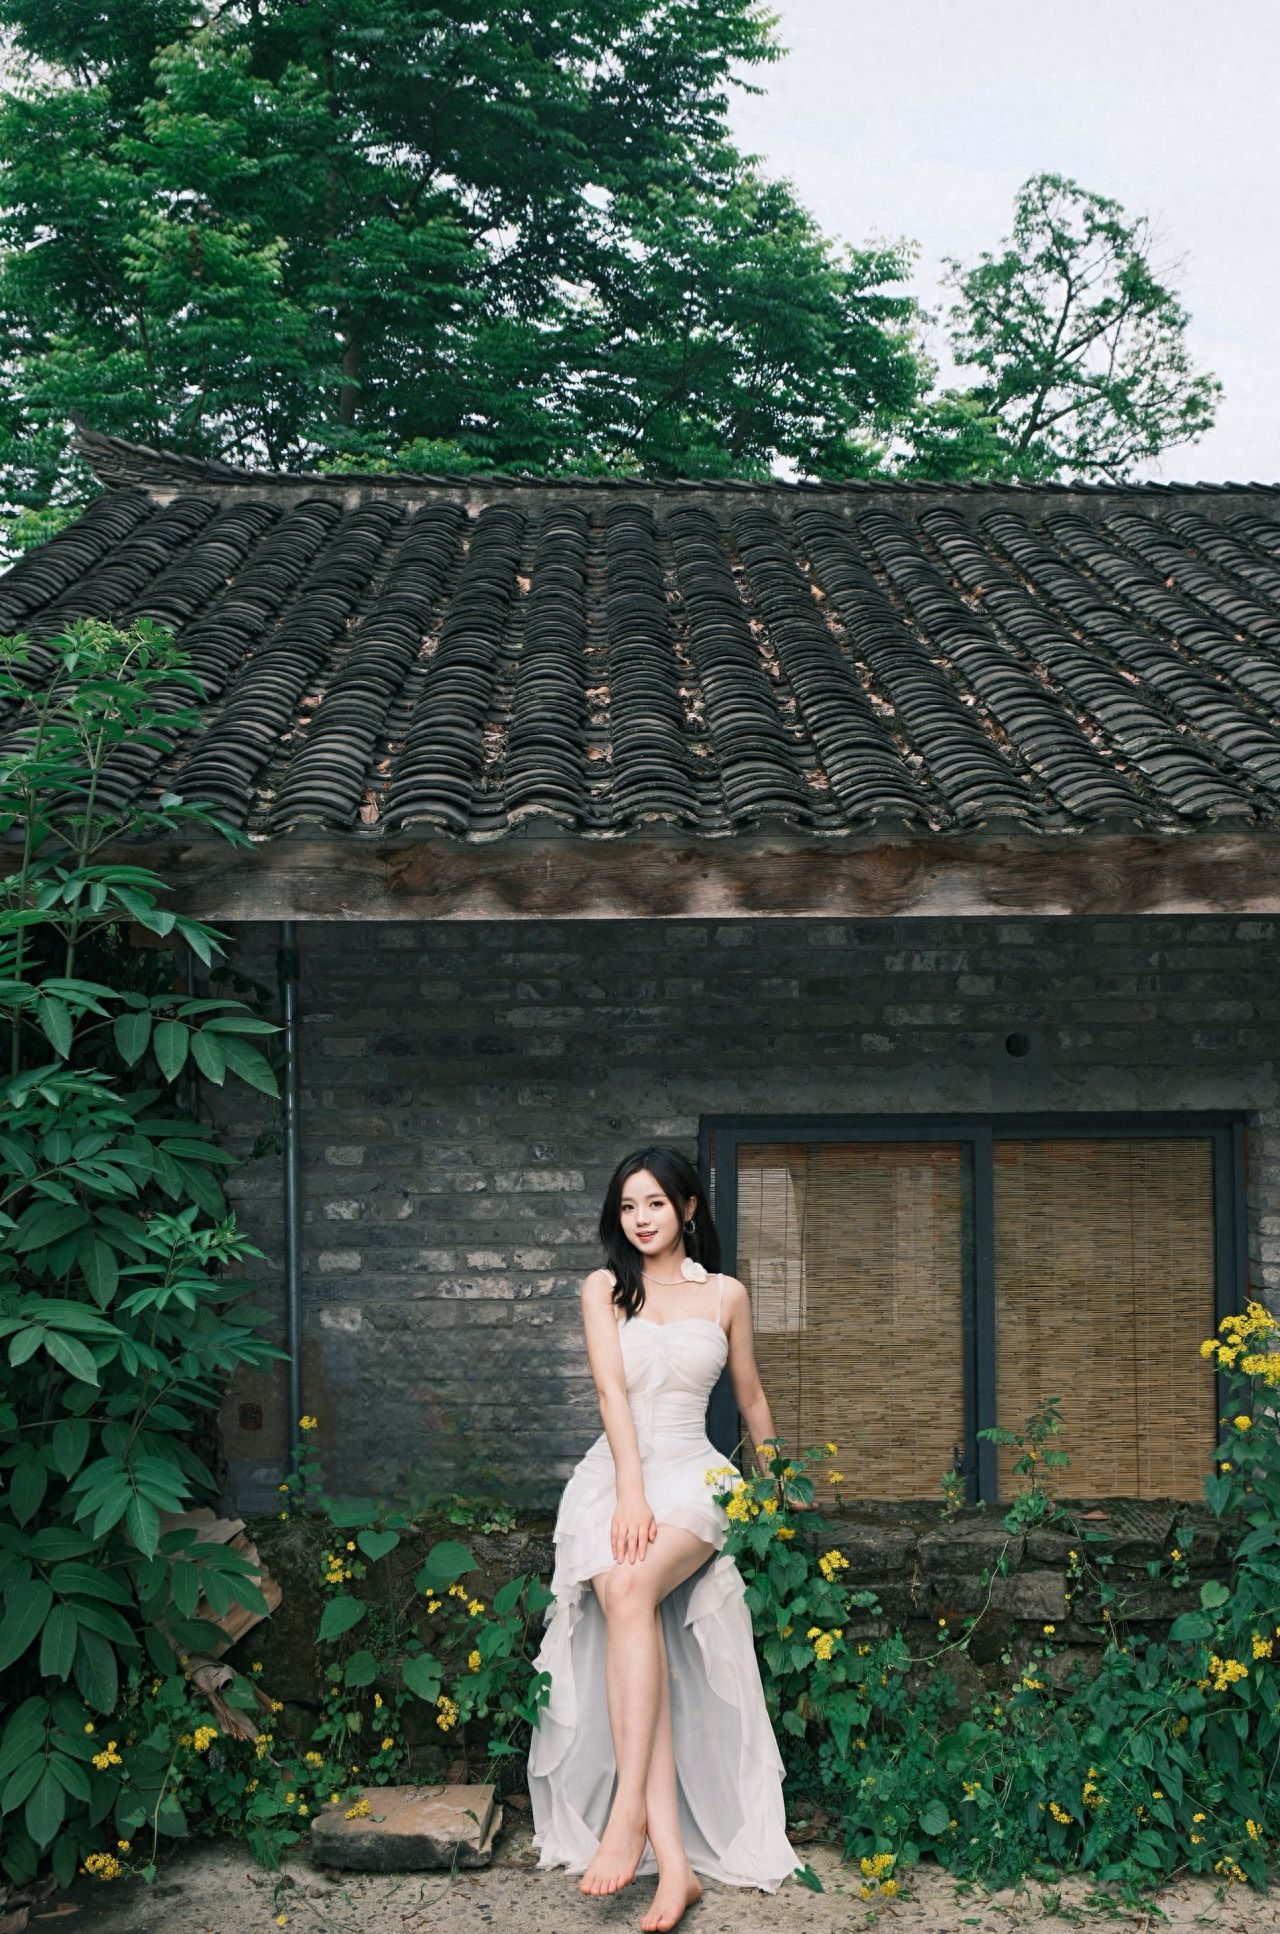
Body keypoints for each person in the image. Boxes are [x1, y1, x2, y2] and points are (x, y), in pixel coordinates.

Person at [527, 1143, 802, 1931]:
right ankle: (674, 1867)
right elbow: (612, 1396)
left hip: (695, 1472)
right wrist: (629, 1493)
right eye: (627, 1207)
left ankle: (628, 1815)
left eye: (654, 1203)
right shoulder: (604, 1289)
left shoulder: (726, 1295)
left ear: (687, 1208)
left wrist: (779, 1484)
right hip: (617, 1471)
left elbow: (749, 1395)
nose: (641, 1219)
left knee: (635, 1586)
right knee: (621, 1590)